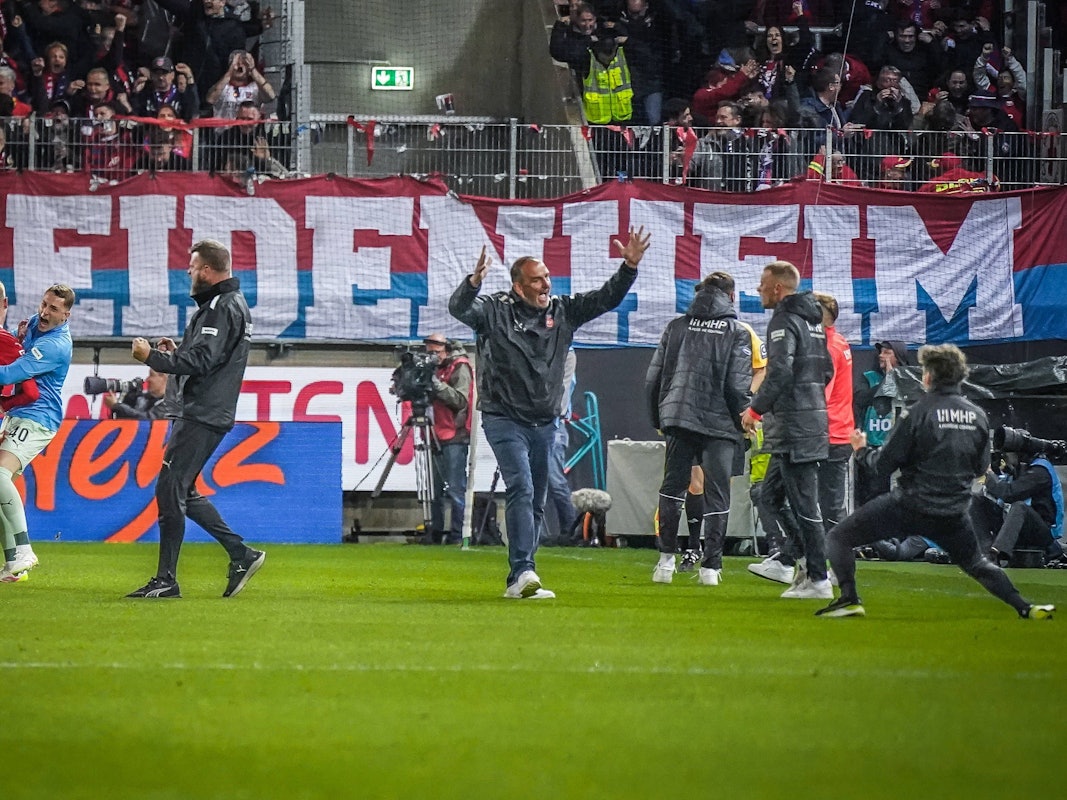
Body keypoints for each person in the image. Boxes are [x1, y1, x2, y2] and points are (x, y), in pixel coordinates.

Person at [449, 227, 650, 599]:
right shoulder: (494, 310)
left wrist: (629, 268)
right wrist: (472, 283)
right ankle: (523, 572)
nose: (546, 285)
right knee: (521, 487)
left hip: (545, 421)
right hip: (503, 417)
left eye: (546, 277)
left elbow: (606, 298)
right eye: (537, 280)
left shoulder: (564, 311)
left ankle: (520, 575)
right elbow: (459, 309)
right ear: (518, 287)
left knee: (536, 498)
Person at [817, 344, 1055, 620]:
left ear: (928, 376)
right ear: (960, 376)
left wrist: (860, 450)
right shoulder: (977, 416)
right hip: (953, 513)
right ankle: (1025, 606)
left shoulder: (917, 412)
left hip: (909, 505)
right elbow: (981, 468)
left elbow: (883, 465)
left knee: (839, 538)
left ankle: (849, 599)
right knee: (977, 564)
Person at [126, 239, 264, 599]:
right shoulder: (230, 304)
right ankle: (240, 554)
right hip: (209, 410)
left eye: (192, 266)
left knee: (170, 488)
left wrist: (151, 357)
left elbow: (202, 361)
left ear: (206, 270)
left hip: (202, 412)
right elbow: (209, 356)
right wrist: (180, 351)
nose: (187, 272)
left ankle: (166, 580)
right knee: (182, 489)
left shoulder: (221, 306)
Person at [647, 271, 753, 586]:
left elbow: (653, 378)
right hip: (720, 425)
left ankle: (665, 563)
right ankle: (710, 569)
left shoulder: (676, 327)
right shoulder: (737, 332)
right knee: (718, 494)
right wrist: (743, 419)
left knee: (672, 488)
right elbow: (737, 384)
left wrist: (658, 419)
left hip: (678, 418)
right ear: (731, 296)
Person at [740, 260, 833, 600]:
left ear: (777, 288)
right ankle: (797, 561)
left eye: (763, 284)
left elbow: (779, 371)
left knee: (805, 506)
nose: (759, 289)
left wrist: (755, 410)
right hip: (805, 423)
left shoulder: (783, 319)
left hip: (796, 428)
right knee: (769, 497)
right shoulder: (814, 322)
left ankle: (819, 579)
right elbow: (826, 370)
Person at [0, 283, 76, 583]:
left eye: (53, 309)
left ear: (66, 315)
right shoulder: (34, 322)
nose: (44, 312)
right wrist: (19, 336)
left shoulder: (56, 345)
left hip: (39, 419)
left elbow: (11, 372)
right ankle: (13, 565)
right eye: (44, 304)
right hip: (18, 413)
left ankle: (24, 550)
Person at [970, 445, 1065, 567]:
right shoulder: (1017, 470)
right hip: (1016, 526)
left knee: (1020, 507)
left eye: (1006, 453)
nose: (1004, 457)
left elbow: (1009, 494)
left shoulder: (1040, 471)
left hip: (1043, 531)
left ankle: (996, 553)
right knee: (974, 500)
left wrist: (988, 475)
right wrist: (997, 473)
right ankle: (985, 553)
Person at [423, 333, 473, 546]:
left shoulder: (460, 367)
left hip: (455, 434)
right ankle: (435, 532)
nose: (433, 357)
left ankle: (457, 535)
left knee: (455, 488)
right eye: (429, 353)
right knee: (434, 489)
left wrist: (436, 384)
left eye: (436, 352)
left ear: (447, 350)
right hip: (435, 433)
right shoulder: (433, 369)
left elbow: (460, 400)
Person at [545, 347, 578, 546]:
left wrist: (553, 415)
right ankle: (539, 532)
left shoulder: (566, 353)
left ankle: (571, 530)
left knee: (555, 481)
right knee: (542, 481)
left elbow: (565, 389)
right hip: (546, 423)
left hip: (554, 424)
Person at [103, 368, 169, 420]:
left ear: (164, 378)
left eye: (152, 375)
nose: (147, 379)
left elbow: (148, 419)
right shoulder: (142, 398)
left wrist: (117, 406)